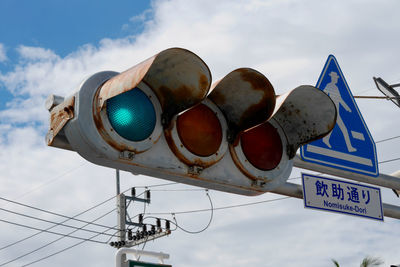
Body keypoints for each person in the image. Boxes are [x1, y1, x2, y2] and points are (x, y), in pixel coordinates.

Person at [322, 71, 356, 152]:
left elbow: (339, 99)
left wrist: (347, 107)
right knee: (344, 129)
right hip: (332, 112)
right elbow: (323, 96)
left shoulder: (336, 87)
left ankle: (325, 139)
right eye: (335, 78)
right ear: (333, 78)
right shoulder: (329, 86)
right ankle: (349, 147)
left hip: (337, 113)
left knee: (332, 127)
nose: (337, 79)